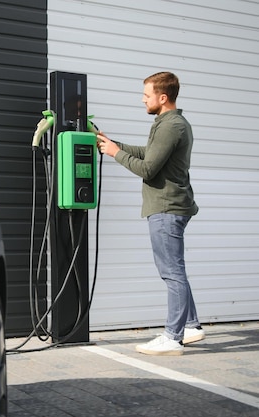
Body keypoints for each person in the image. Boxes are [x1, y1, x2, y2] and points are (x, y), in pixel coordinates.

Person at [97, 71, 204, 356]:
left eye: (147, 95)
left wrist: (114, 154)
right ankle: (191, 326)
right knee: (176, 269)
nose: (142, 99)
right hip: (168, 206)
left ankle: (173, 337)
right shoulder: (168, 123)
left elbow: (148, 168)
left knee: (171, 272)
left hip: (167, 207)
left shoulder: (172, 126)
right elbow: (150, 152)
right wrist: (114, 144)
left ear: (162, 97)